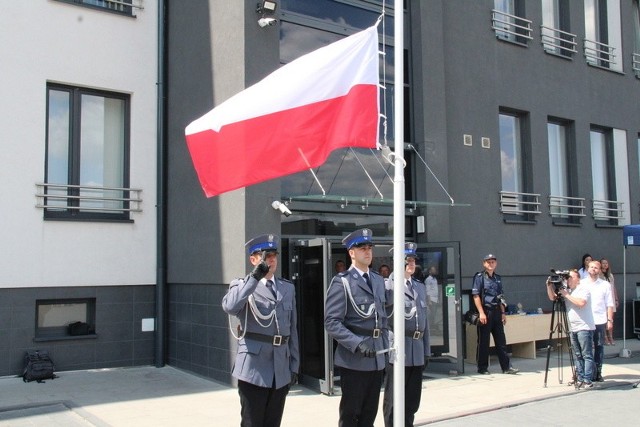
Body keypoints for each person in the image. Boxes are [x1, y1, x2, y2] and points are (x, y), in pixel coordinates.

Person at [221, 234, 299, 427]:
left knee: (273, 422)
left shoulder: (287, 288)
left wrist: (294, 365)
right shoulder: (242, 285)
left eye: (273, 255)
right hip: (254, 368)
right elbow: (230, 307)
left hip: (280, 367)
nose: (271, 259)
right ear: (253, 259)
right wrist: (255, 277)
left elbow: (292, 329)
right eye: (265, 255)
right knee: (252, 422)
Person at [324, 228, 388, 427]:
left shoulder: (378, 280)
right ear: (351, 253)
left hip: (376, 356)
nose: (367, 252)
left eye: (369, 248)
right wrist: (357, 344)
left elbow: (382, 319)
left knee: (370, 414)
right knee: (351, 415)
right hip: (354, 360)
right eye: (362, 248)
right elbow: (331, 322)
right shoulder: (342, 282)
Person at [382, 242, 430, 427]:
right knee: (393, 400)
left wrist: (426, 351)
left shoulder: (419, 287)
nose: (412, 263)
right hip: (398, 350)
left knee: (412, 401)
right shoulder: (389, 286)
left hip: (416, 350)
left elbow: (424, 322)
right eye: (407, 260)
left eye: (413, 260)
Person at [545, 269, 595, 389]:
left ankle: (587, 380)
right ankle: (580, 378)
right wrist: (549, 286)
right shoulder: (567, 291)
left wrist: (566, 294)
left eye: (570, 277)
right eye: (567, 278)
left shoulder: (583, 289)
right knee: (577, 354)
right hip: (572, 327)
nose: (568, 280)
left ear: (578, 279)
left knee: (586, 354)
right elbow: (553, 298)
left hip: (584, 327)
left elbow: (581, 303)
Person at [472, 254, 518, 375]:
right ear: (484, 263)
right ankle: (482, 367)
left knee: (501, 341)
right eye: (488, 262)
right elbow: (476, 296)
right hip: (486, 312)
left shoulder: (498, 278)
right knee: (483, 342)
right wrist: (481, 313)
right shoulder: (479, 277)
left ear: (496, 264)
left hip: (497, 312)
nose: (491, 264)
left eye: (493, 262)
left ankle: (507, 367)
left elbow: (501, 297)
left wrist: (503, 312)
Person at [583, 260, 614, 382]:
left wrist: (609, 320)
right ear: (587, 269)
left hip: (600, 320)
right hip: (586, 320)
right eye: (591, 267)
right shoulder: (582, 283)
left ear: (600, 270)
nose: (593, 269)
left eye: (596, 267)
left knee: (599, 346)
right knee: (587, 348)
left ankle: (598, 372)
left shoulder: (605, 285)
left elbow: (609, 304)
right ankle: (588, 372)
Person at [600, 258, 619, 345]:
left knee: (611, 319)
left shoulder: (610, 275)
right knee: (604, 319)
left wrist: (616, 299)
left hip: (611, 299)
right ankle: (605, 337)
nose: (605, 265)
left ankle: (611, 336)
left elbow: (613, 287)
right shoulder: (600, 275)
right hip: (603, 300)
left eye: (606, 263)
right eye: (603, 263)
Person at [425, 266, 440, 333]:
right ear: (430, 271)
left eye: (435, 270)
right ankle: (430, 327)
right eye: (433, 270)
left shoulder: (435, 279)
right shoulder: (428, 280)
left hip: (436, 299)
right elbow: (427, 291)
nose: (434, 271)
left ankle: (432, 326)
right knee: (432, 314)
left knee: (434, 314)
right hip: (432, 300)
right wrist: (429, 301)